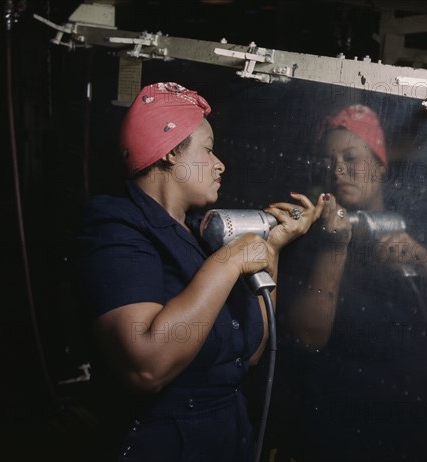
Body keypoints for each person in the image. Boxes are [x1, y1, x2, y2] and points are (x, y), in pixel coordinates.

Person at [76, 82, 326, 462]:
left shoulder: (197, 234)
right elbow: (146, 367)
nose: (220, 163)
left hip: (226, 436)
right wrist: (229, 262)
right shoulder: (116, 226)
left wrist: (270, 248)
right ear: (171, 153)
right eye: (207, 151)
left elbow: (253, 353)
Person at [272, 104, 427, 461]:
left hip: (416, 417)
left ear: (379, 164)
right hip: (334, 419)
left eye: (351, 157)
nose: (339, 169)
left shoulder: (426, 220)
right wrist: (334, 246)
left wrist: (423, 258)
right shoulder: (309, 233)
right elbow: (307, 336)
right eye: (328, 160)